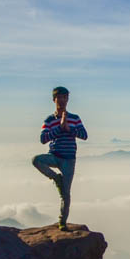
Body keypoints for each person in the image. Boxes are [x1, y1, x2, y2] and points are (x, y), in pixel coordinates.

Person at [32, 86, 87, 230]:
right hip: (54, 156)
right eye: (60, 97)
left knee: (65, 194)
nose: (62, 100)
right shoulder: (49, 120)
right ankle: (56, 178)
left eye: (65, 97)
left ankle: (62, 222)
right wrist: (59, 128)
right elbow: (43, 139)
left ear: (68, 99)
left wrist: (69, 129)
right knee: (36, 160)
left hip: (69, 160)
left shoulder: (74, 118)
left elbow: (84, 135)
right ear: (54, 99)